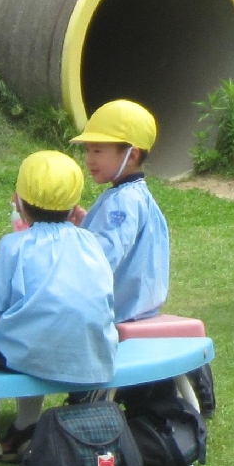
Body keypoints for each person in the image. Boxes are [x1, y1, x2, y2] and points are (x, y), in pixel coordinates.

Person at [0, 151, 118, 462]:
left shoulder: (14, 245)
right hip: (93, 353)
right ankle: (25, 427)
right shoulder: (91, 242)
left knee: (6, 330)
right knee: (35, 326)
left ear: (18, 202)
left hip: (32, 355)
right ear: (74, 206)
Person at [73, 99, 171, 323]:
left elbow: (105, 254)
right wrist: (88, 223)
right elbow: (120, 236)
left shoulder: (123, 200)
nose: (89, 159)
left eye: (97, 150)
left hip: (120, 311)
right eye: (87, 150)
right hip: (140, 307)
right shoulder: (134, 195)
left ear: (132, 155)